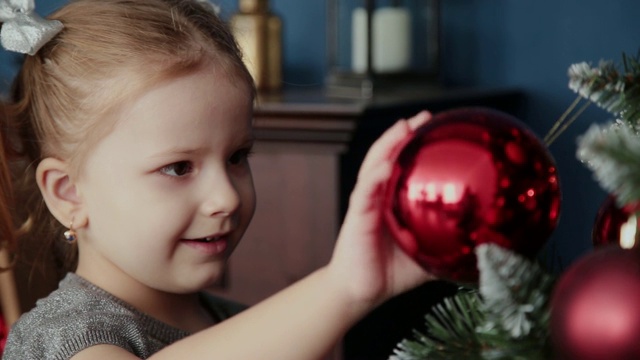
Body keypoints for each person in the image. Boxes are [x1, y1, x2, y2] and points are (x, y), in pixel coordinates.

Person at [0, 0, 434, 359]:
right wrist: (342, 286)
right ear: (68, 193)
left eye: (237, 156)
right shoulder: (61, 338)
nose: (226, 196)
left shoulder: (237, 323)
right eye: (179, 168)